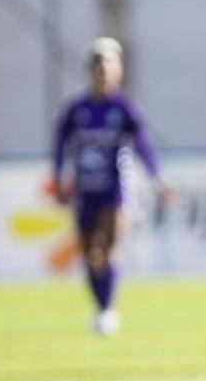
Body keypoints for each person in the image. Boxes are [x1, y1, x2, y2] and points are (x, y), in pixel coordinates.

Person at [51, 37, 173, 336]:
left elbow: (143, 143)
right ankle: (102, 307)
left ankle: (107, 311)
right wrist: (58, 177)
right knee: (91, 255)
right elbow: (60, 144)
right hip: (85, 190)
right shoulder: (76, 110)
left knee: (110, 248)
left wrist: (157, 177)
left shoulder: (124, 109)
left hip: (115, 190)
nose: (102, 71)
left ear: (118, 71)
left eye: (108, 65)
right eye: (97, 65)